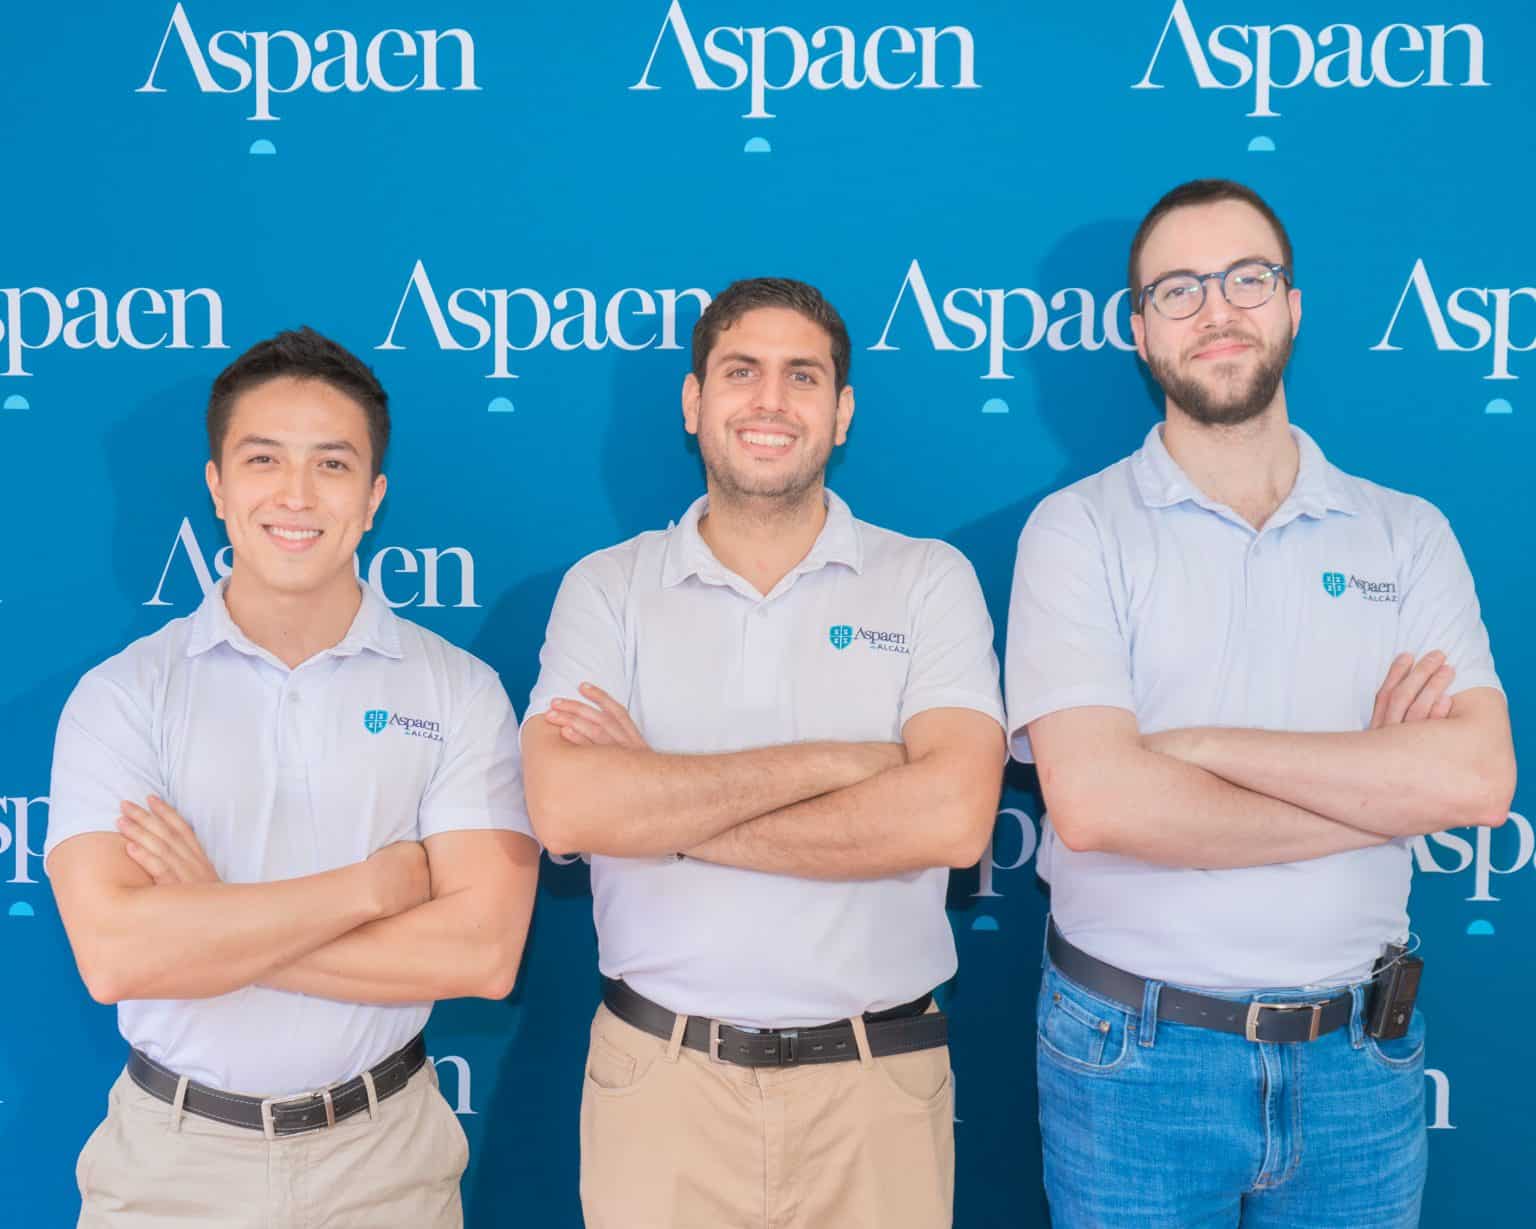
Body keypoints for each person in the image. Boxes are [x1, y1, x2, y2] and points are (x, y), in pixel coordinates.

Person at [1005, 178, 1516, 1227]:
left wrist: (1191, 747)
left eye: (1247, 278)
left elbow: (1475, 778)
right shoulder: (1077, 529)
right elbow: (1099, 805)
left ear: (1292, 304)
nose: (1217, 310)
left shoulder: (1406, 532)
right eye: (1179, 289)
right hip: (1132, 1057)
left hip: (1359, 1062)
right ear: (1140, 329)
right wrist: (1378, 790)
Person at [520, 277, 1007, 1229]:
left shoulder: (926, 580)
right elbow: (569, 809)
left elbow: (952, 820)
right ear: (694, 401)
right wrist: (849, 762)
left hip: (876, 1087)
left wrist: (661, 806)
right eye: (741, 371)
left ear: (843, 411)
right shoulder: (608, 589)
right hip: (661, 1082)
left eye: (803, 376)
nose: (771, 401)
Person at [46, 326, 540, 1228]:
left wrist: (212, 917)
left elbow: (482, 953)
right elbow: (117, 955)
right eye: (264, 458)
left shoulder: (459, 691)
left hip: (387, 1162)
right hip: (170, 1168)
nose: (297, 495)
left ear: (373, 496)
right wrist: (370, 889)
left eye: (333, 464)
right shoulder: (123, 695)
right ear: (217, 486)